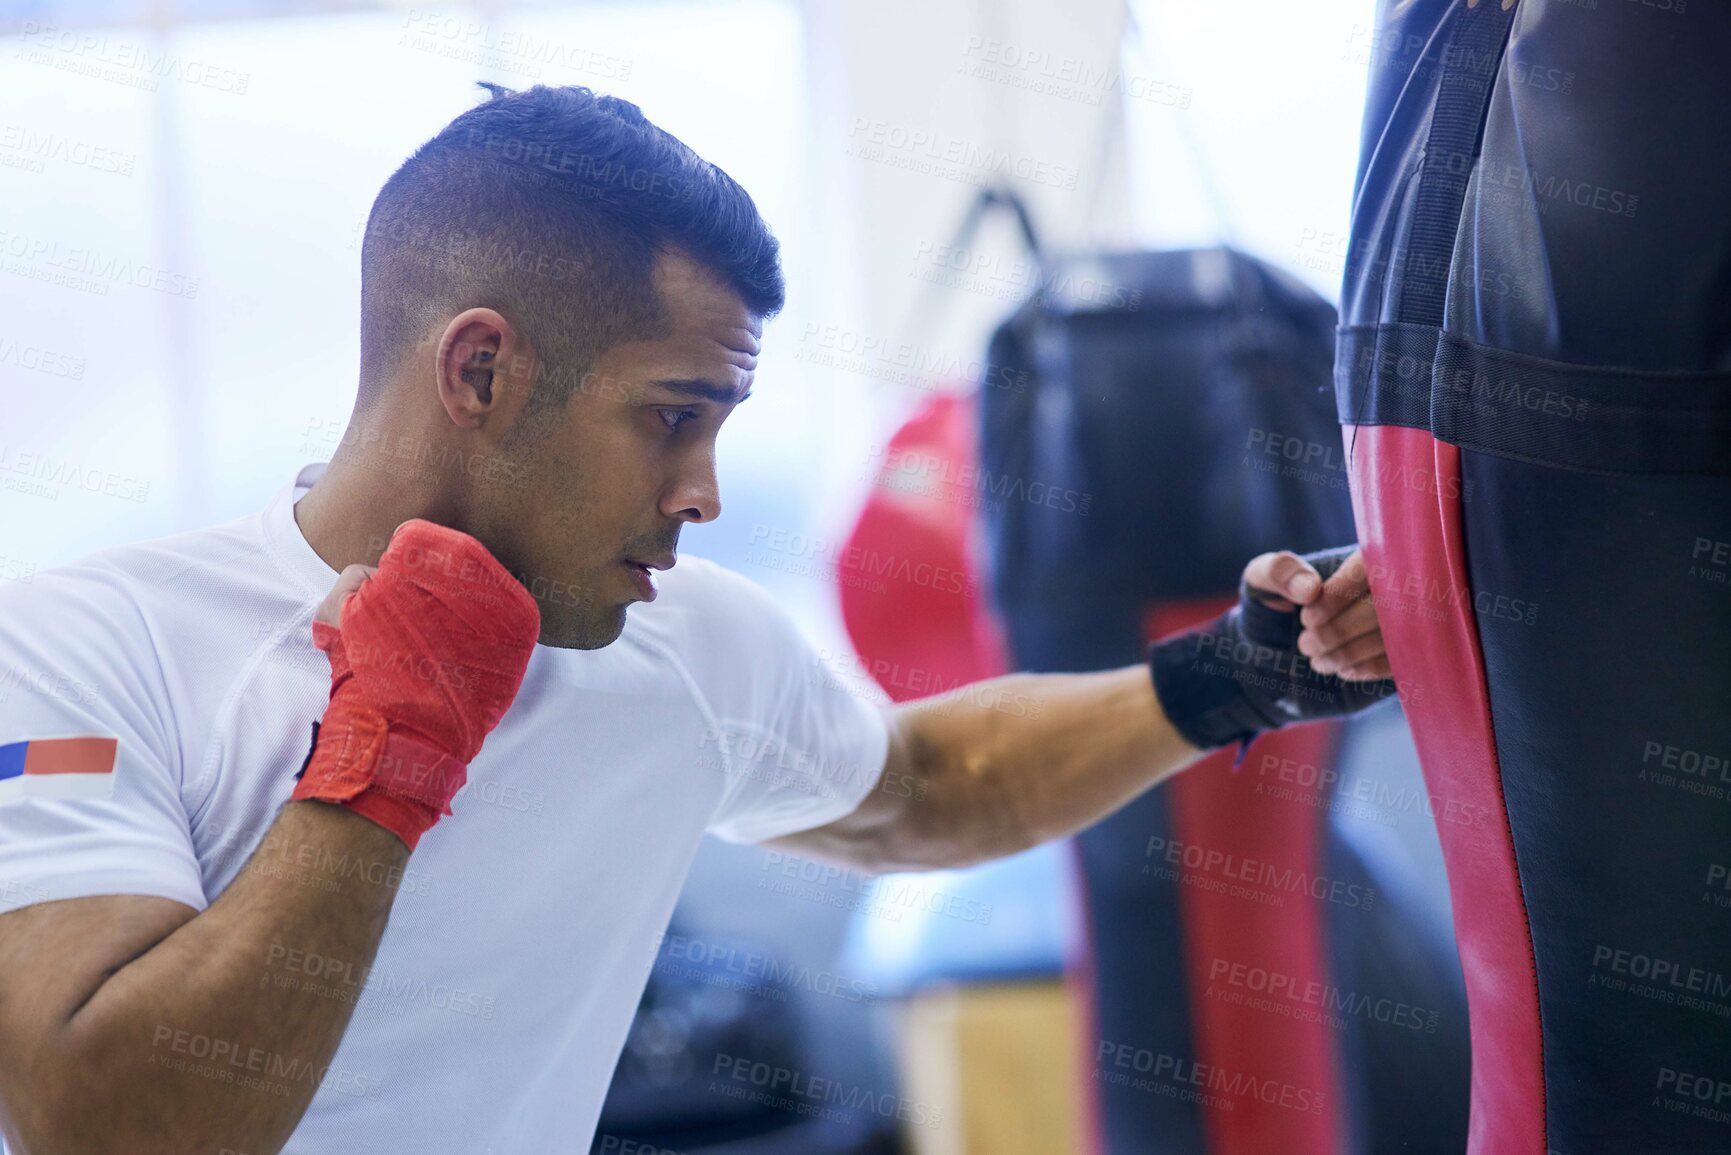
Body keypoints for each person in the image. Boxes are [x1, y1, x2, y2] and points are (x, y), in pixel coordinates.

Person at [0, 84, 1389, 1155]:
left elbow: (925, 783)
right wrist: (394, 749)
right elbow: (103, 1123)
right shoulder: (76, 655)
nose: (705, 493)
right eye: (671, 417)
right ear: (480, 369)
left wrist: (1236, 675)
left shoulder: (675, 640)